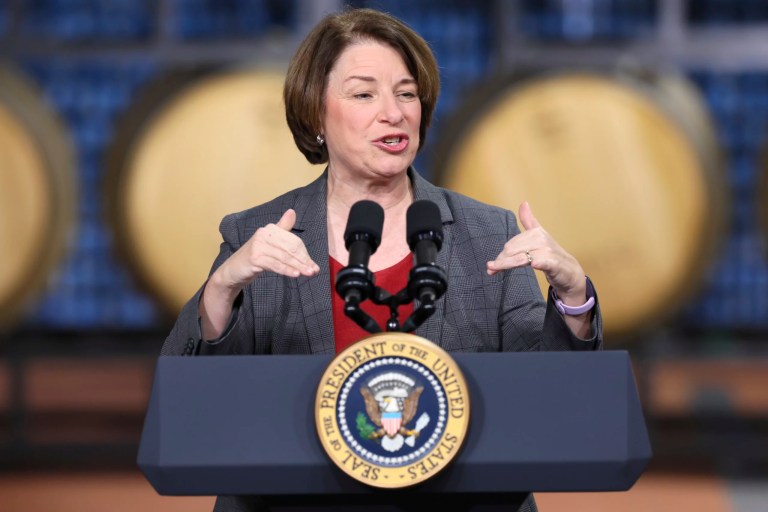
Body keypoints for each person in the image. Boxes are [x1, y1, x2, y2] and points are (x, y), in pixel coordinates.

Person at [162, 7, 602, 512]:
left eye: (407, 93)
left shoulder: (490, 233)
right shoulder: (256, 237)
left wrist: (572, 298)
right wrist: (221, 291)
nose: (393, 112)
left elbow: (549, 406)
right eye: (364, 93)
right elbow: (192, 410)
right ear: (316, 114)